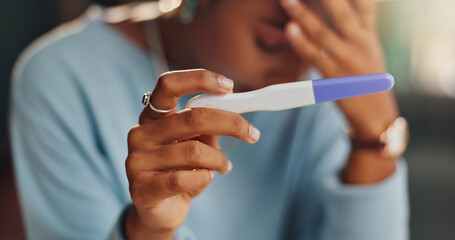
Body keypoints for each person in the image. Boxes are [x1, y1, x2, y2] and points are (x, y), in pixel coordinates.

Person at [9, 0, 409, 239]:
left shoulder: (329, 89)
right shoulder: (62, 77)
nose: (294, 7)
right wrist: (150, 229)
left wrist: (373, 138)